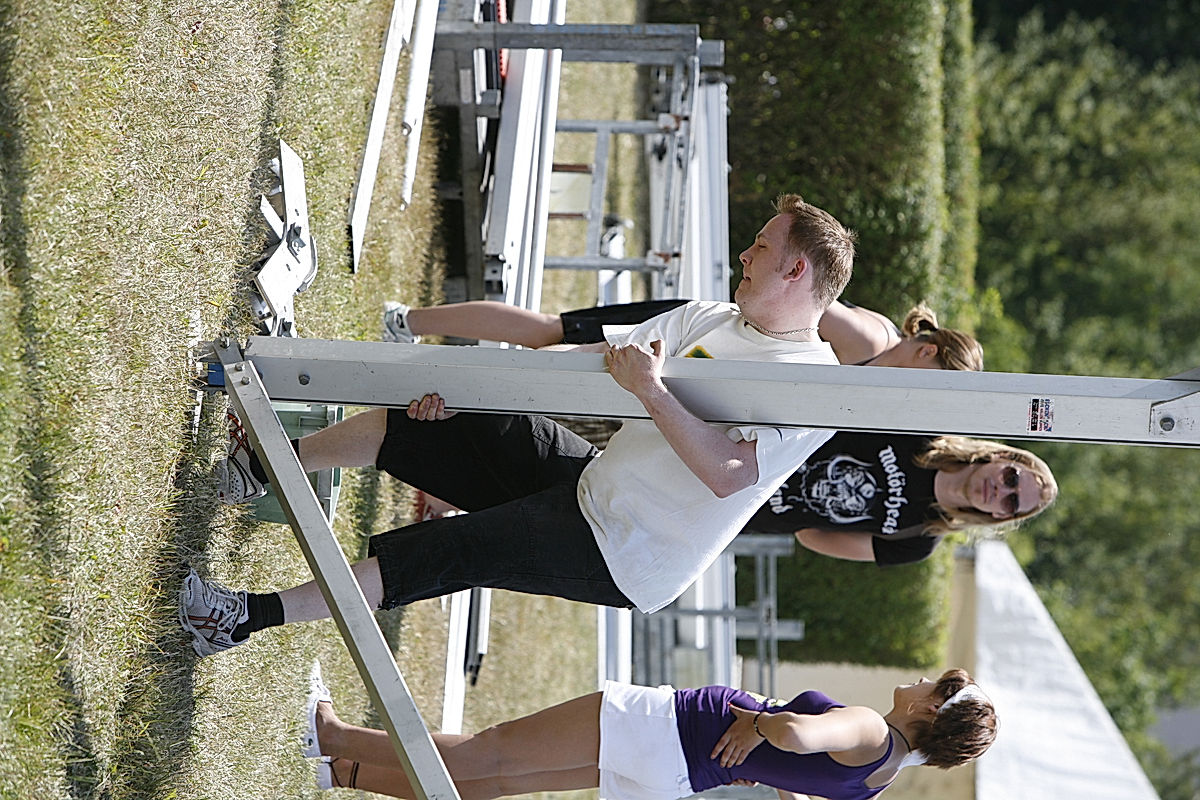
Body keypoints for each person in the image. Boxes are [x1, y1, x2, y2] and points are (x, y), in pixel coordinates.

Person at [181, 193, 857, 656]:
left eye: (761, 246)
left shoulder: (810, 381)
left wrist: (652, 392)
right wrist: (471, 392)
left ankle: (237, 619)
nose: (746, 252)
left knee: (456, 550)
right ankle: (260, 468)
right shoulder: (712, 316)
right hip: (597, 486)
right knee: (444, 423)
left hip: (627, 552)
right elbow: (594, 360)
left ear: (796, 268)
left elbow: (729, 474)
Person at [300, 667, 997, 800]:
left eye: (932, 682)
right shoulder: (876, 783)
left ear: (932, 711)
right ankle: (345, 775)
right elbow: (796, 780)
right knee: (501, 781)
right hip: (680, 775)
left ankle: (331, 735)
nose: (918, 678)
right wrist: (758, 759)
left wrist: (758, 723)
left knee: (489, 752)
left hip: (671, 730)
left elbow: (795, 737)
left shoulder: (873, 727)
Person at [381, 298, 983, 370]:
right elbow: (805, 306)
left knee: (553, 338)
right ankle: (405, 322)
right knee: (553, 337)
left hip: (706, 340)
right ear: (927, 349)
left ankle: (407, 323)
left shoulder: (880, 350)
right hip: (700, 330)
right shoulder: (870, 343)